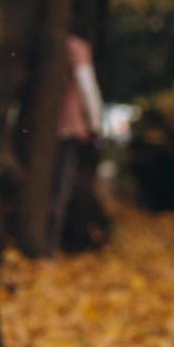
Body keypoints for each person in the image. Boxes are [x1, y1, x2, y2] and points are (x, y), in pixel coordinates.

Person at [47, 35, 104, 256]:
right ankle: (52, 247)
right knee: (61, 191)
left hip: (49, 129)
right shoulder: (77, 47)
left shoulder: (51, 43)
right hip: (70, 129)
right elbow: (87, 85)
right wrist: (95, 125)